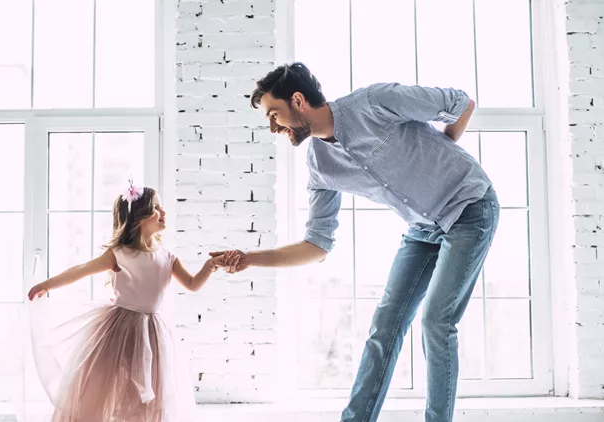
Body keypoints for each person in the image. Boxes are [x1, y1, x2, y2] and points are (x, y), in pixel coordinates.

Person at [213, 62, 500, 422]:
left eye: (275, 115)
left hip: (470, 207)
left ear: (298, 101)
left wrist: (442, 150)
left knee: (436, 323)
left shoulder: (373, 103)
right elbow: (316, 246)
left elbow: (461, 104)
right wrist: (248, 258)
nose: (273, 127)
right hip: (423, 228)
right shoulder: (320, 164)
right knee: (385, 326)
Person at [27, 181, 223, 422]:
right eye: (157, 208)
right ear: (140, 217)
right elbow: (82, 269)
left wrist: (210, 265)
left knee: (150, 391)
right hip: (119, 331)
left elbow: (193, 284)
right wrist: (47, 284)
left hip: (153, 335)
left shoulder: (167, 257)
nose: (164, 213)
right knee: (106, 387)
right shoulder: (119, 253)